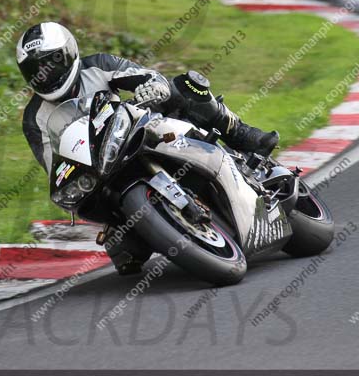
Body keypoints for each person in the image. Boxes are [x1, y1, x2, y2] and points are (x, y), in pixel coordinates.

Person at [17, 21, 279, 273]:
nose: (45, 75)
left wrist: (152, 86)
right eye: (36, 70)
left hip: (134, 131)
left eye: (52, 64)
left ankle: (240, 132)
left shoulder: (97, 65)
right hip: (101, 172)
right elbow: (54, 165)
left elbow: (146, 76)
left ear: (69, 53)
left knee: (185, 86)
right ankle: (158, 225)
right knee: (124, 253)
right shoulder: (34, 118)